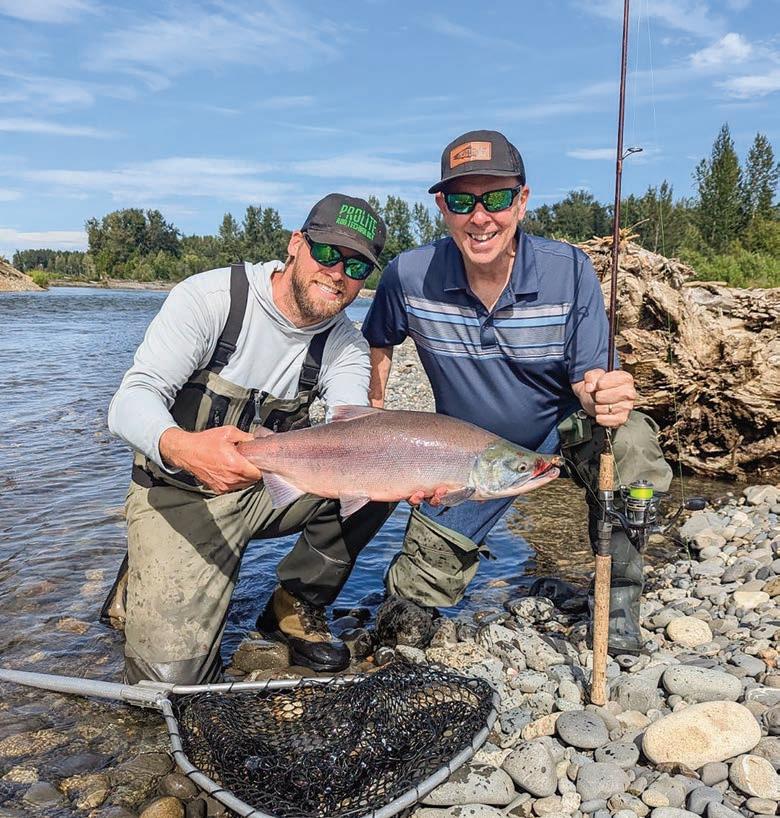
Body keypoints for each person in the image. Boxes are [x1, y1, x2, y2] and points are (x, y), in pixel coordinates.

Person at [362, 130, 672, 655]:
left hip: (557, 434)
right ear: (443, 208)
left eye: (497, 198)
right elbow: (378, 342)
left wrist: (604, 395)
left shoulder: (568, 270)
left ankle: (617, 603)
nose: (480, 217)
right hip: (463, 455)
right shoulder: (408, 275)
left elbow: (588, 378)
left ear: (522, 201)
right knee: (409, 604)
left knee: (632, 443)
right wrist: (373, 419)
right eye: (462, 201)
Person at [105, 193, 400, 684]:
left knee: (384, 475)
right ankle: (144, 564)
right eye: (327, 253)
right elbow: (129, 401)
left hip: (266, 491)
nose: (337, 273)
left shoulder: (345, 344)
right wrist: (182, 446)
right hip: (180, 495)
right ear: (295, 244)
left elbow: (355, 435)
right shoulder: (212, 300)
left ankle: (293, 606)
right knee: (170, 684)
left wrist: (424, 472)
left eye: (356, 266)